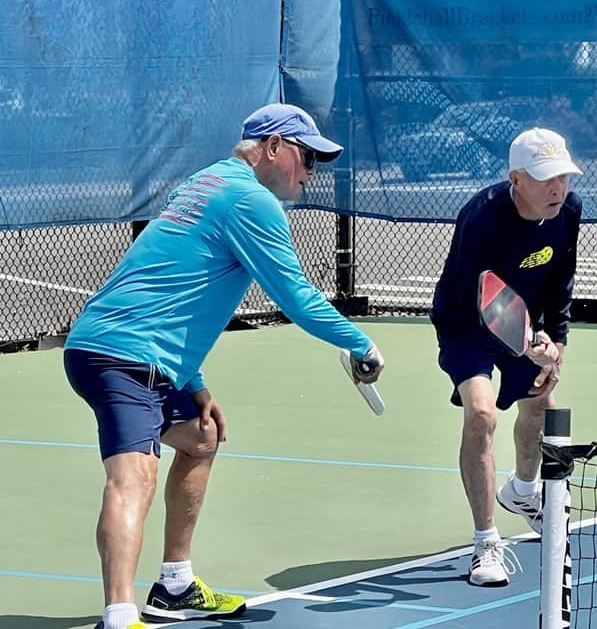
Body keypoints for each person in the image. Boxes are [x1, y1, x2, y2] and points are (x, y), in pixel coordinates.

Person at [64, 103, 384, 629]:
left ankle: (174, 585)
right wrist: (361, 345)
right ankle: (119, 616)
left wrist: (194, 383)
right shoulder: (250, 200)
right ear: (274, 147)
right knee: (134, 477)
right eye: (307, 157)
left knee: (200, 436)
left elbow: (170, 284)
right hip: (125, 355)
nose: (311, 172)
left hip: (122, 347)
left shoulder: (207, 182)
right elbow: (296, 297)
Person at [430, 126, 583, 587]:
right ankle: (486, 542)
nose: (558, 188)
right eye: (546, 178)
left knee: (541, 406)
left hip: (524, 319)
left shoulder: (569, 210)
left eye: (563, 177)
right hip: (466, 322)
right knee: (481, 415)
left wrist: (556, 346)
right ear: (516, 179)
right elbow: (476, 296)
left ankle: (522, 491)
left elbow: (561, 280)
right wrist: (530, 341)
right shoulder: (481, 217)